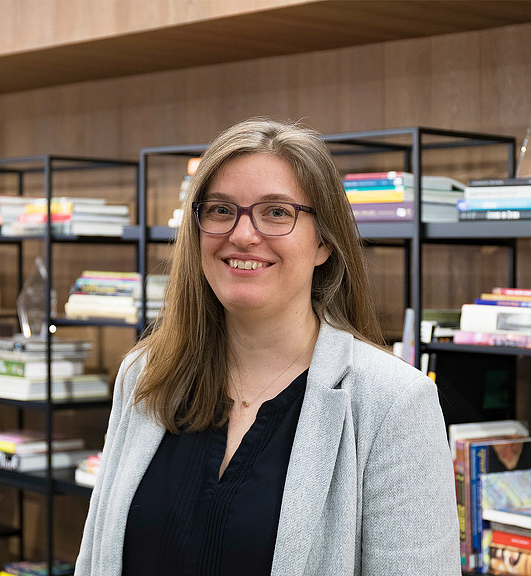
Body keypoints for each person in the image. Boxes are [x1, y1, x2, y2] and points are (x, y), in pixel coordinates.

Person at [76, 118, 459, 575]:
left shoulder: (393, 402)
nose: (242, 234)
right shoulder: (145, 375)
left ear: (324, 243)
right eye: (220, 210)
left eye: (277, 212)